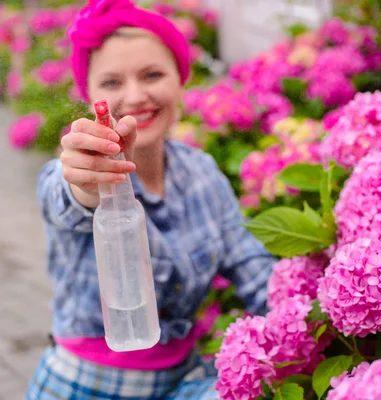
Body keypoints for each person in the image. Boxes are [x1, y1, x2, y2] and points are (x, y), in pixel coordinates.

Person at [26, 0, 275, 398]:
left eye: (152, 74)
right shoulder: (84, 171)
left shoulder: (202, 174)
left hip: (183, 380)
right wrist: (85, 183)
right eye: (111, 82)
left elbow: (251, 265)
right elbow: (65, 195)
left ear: (180, 79)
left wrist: (307, 316)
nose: (136, 95)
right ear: (90, 95)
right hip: (83, 385)